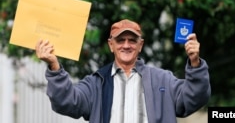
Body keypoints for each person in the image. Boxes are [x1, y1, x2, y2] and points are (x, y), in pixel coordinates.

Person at [35, 19, 211, 123]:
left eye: (132, 40)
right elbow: (67, 102)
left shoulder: (163, 79)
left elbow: (195, 97)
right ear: (111, 45)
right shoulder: (96, 83)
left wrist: (195, 63)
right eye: (120, 40)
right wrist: (54, 67)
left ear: (140, 45)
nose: (126, 45)